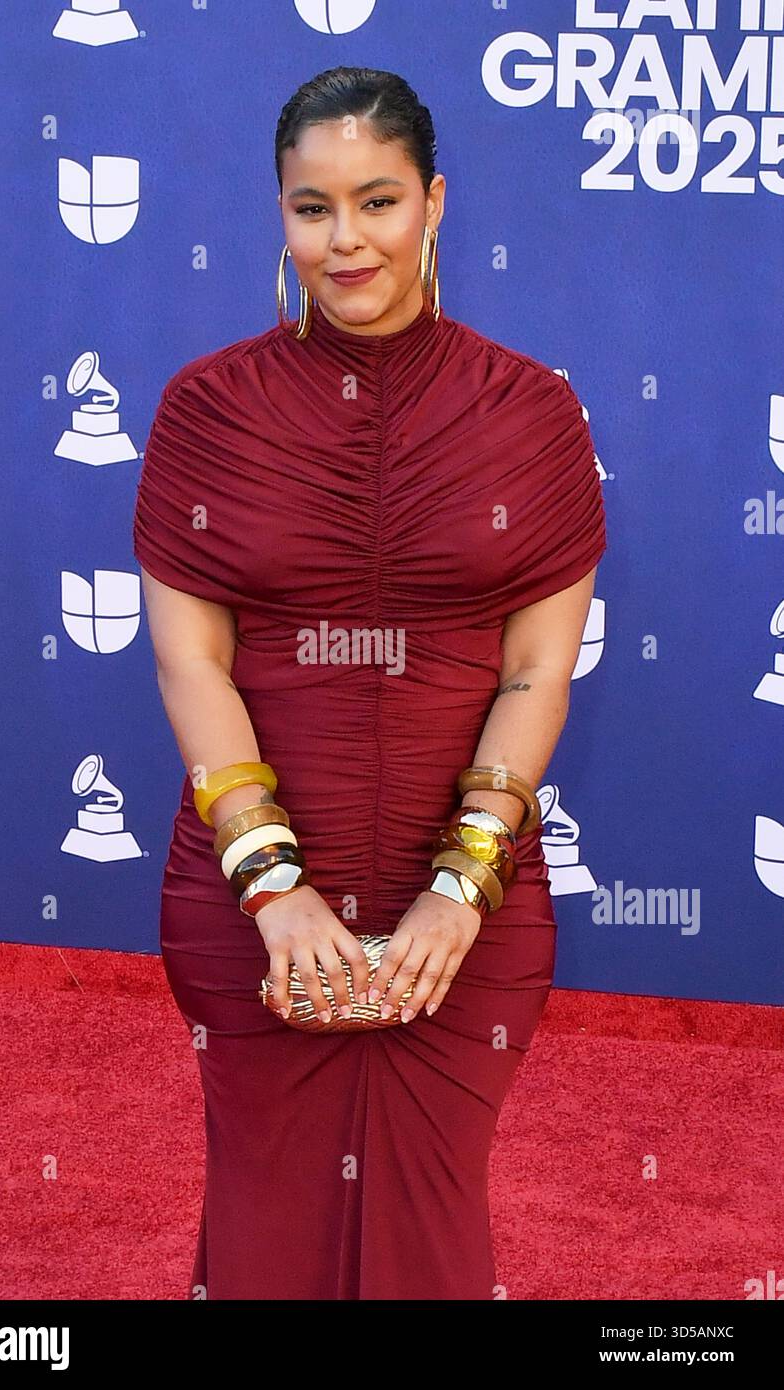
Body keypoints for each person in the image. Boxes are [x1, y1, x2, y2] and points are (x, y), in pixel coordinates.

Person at [132, 65, 606, 1301]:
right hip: (248, 901)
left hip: (467, 909)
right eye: (312, 208)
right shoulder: (206, 410)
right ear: (280, 216)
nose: (345, 240)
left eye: (377, 201)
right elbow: (190, 659)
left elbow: (535, 670)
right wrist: (273, 887)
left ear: (433, 202)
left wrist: (460, 887)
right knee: (268, 1218)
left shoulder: (531, 412)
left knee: (428, 1227)